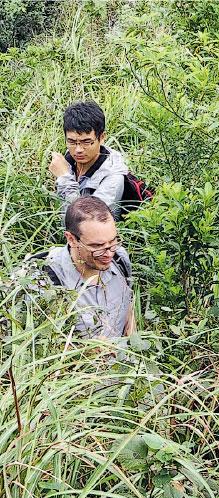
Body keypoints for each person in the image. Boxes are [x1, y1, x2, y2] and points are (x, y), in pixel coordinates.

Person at [26, 197, 135, 339]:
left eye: (113, 241)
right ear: (71, 239)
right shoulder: (42, 277)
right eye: (97, 246)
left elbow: (128, 306)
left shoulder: (120, 259)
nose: (109, 253)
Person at [49, 100, 128, 220]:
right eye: (71, 142)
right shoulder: (68, 161)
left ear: (101, 138)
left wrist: (65, 179)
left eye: (86, 142)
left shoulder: (113, 178)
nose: (78, 150)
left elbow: (84, 224)